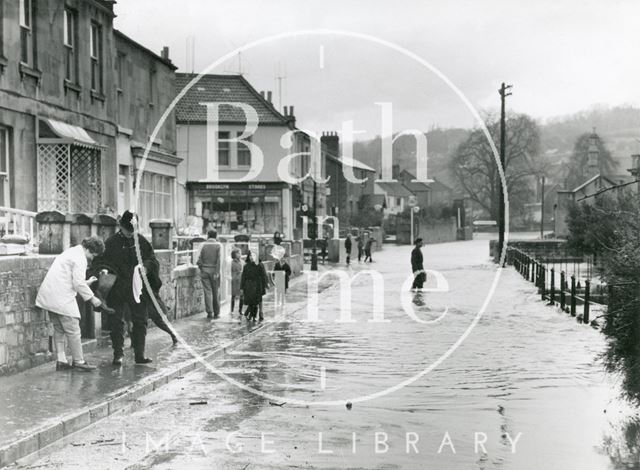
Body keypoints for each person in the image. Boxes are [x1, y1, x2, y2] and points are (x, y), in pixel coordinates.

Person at [92, 210, 155, 366]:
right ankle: (118, 355)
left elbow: (152, 260)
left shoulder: (142, 242)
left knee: (140, 320)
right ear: (121, 226)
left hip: (137, 288)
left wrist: (146, 267)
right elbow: (100, 261)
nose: (130, 234)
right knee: (116, 321)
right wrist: (104, 270)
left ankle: (139, 355)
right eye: (127, 231)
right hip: (117, 287)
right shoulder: (111, 242)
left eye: (132, 231)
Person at [36, 237, 105, 372]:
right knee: (74, 329)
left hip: (50, 295)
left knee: (59, 329)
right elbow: (77, 283)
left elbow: (70, 278)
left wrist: (86, 282)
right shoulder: (80, 259)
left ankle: (61, 360)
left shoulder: (71, 252)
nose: (92, 258)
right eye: (92, 254)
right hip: (62, 297)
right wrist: (93, 299)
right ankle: (79, 360)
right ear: (87, 249)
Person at [141, 254, 178, 345]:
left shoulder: (148, 264)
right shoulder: (151, 263)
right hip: (144, 296)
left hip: (146, 297)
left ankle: (173, 334)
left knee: (156, 319)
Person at [197, 230, 221, 319]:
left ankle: (209, 312)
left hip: (205, 271)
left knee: (207, 292)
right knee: (215, 292)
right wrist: (217, 272)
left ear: (208, 235)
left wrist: (202, 268)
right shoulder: (218, 245)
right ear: (216, 236)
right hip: (214, 271)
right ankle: (216, 312)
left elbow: (198, 259)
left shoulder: (203, 245)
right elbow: (219, 260)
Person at [240, 251, 265, 321]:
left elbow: (263, 275)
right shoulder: (246, 266)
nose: (252, 257)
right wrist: (241, 287)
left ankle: (254, 315)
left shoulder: (259, 265)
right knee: (251, 301)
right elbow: (243, 277)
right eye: (250, 256)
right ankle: (250, 315)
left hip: (257, 285)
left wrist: (265, 284)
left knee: (257, 301)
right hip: (248, 286)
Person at [230, 249, 244, 315]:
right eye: (238, 253)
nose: (239, 254)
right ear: (234, 254)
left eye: (240, 253)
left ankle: (240, 310)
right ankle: (232, 310)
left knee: (242, 295)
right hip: (234, 280)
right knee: (233, 295)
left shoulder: (242, 262)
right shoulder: (231, 263)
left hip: (241, 280)